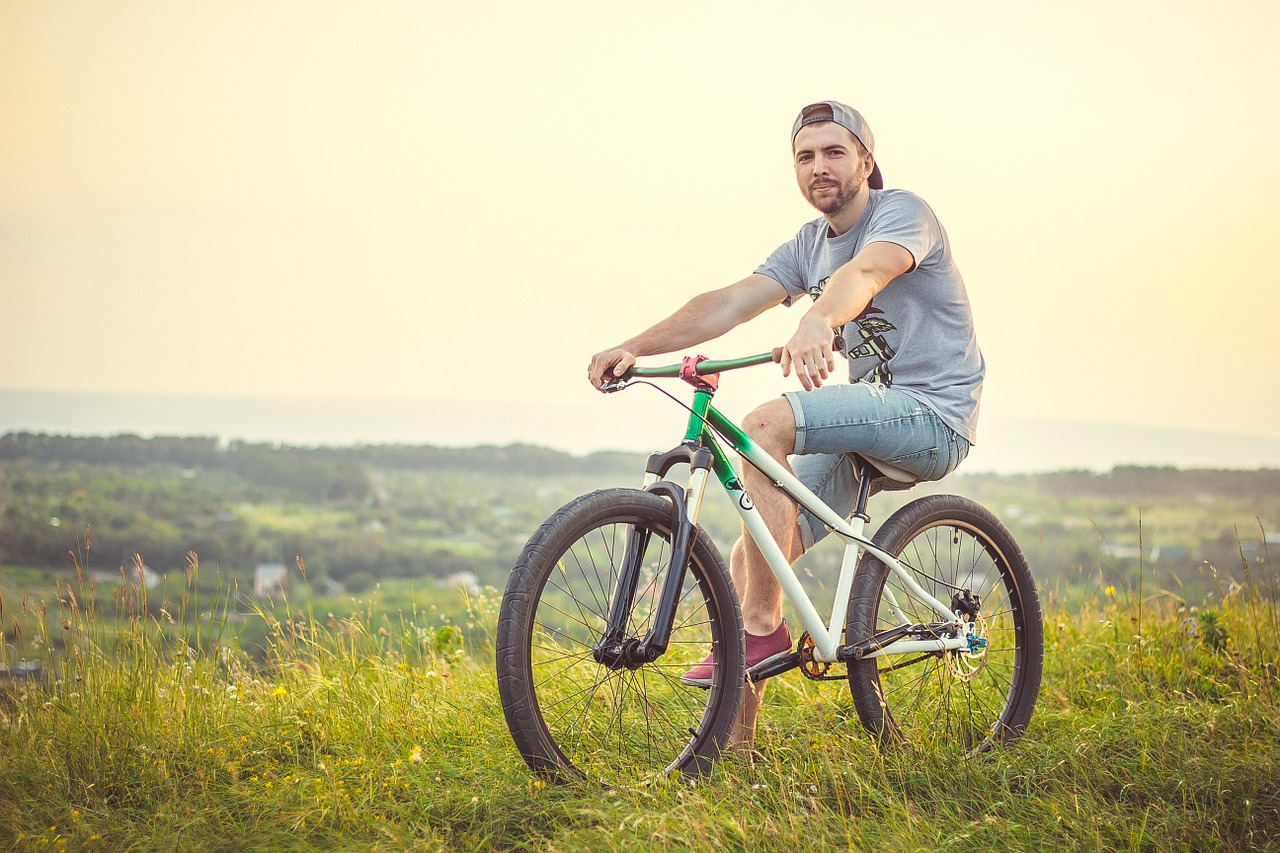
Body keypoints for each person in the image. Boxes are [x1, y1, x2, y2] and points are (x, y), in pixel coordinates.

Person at [586, 100, 984, 752]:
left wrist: (816, 320)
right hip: (871, 426)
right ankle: (737, 744)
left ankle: (761, 629)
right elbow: (729, 302)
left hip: (931, 412)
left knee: (763, 423)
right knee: (756, 554)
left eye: (834, 152)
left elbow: (867, 272)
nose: (819, 167)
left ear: (866, 159)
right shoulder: (808, 245)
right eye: (805, 156)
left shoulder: (903, 213)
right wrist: (635, 346)